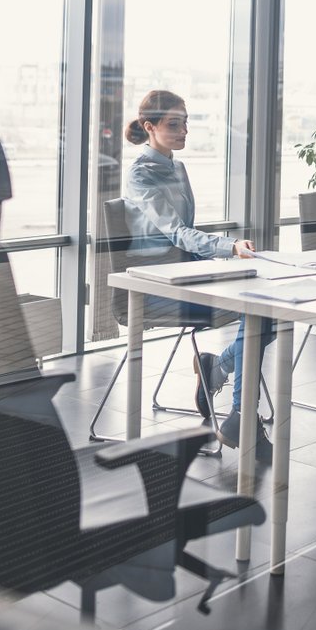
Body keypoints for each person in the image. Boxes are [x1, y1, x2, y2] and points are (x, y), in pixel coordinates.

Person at [124, 90, 268, 460]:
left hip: (187, 275)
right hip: (157, 286)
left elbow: (186, 237)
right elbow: (177, 232)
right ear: (149, 126)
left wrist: (226, 255)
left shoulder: (177, 166)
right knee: (258, 311)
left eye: (186, 122)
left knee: (268, 306)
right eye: (174, 124)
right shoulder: (140, 173)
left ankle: (219, 372)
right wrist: (227, 247)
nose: (184, 130)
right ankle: (239, 413)